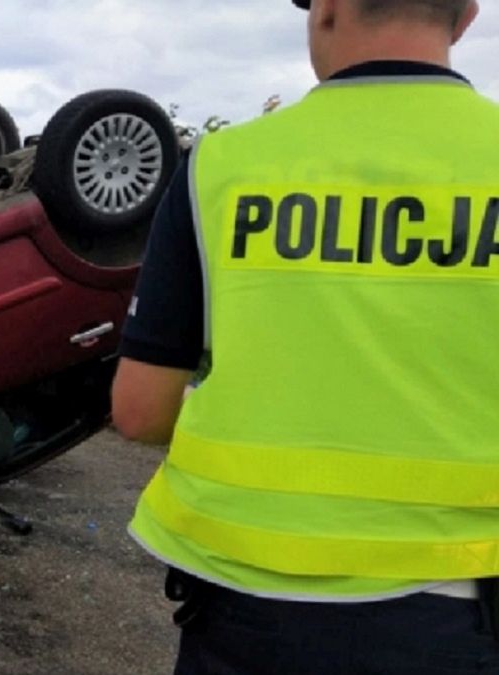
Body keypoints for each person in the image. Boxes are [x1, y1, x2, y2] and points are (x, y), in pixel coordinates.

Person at [110, 0, 499, 672]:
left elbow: (140, 409)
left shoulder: (222, 168)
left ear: (327, 10)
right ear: (464, 17)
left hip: (245, 610)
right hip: (464, 615)